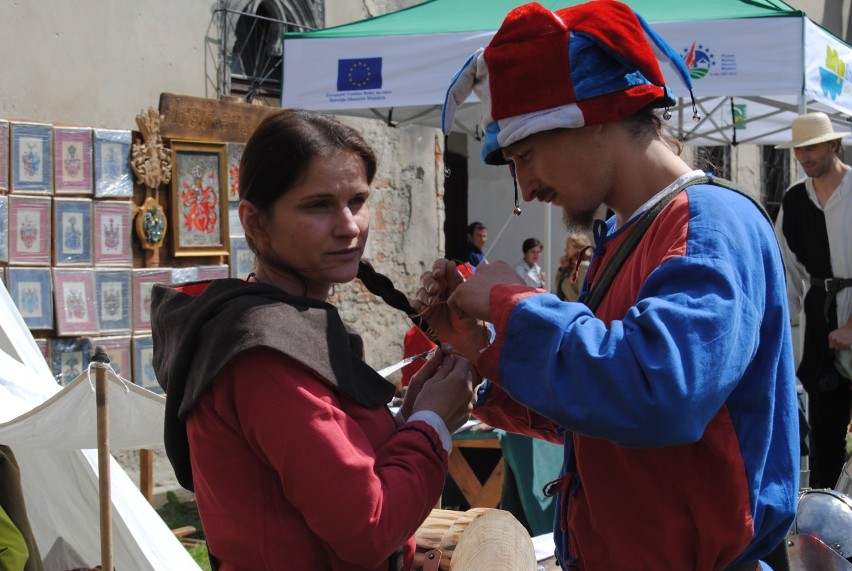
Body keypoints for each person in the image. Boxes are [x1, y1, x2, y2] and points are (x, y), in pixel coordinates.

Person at [415, 2, 799, 569]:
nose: (524, 186)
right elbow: (598, 413)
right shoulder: (625, 235)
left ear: (591, 118)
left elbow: (658, 394)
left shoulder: (711, 225)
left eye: (526, 154)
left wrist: (512, 303)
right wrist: (479, 347)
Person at [151, 109, 475, 571]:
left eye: (357, 201)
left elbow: (338, 476)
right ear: (256, 223)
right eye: (318, 205)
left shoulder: (284, 326)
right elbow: (368, 528)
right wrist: (432, 426)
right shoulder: (263, 353)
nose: (349, 226)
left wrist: (409, 418)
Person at [774, 111, 852, 490]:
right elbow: (786, 275)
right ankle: (829, 534)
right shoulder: (793, 201)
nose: (804, 155)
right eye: (798, 148)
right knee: (824, 441)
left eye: (813, 146)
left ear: (834, 144)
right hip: (821, 332)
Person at [554, 232, 592, 302]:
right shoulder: (572, 268)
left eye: (568, 247)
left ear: (577, 248)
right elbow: (559, 288)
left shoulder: (583, 267)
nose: (565, 250)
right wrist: (562, 269)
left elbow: (584, 296)